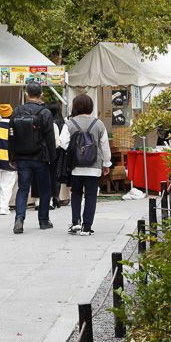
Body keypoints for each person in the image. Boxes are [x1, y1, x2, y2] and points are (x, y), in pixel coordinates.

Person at [58, 93, 111, 236]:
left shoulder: (70, 123)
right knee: (91, 195)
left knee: (76, 193)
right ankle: (87, 227)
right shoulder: (99, 123)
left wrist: (74, 149)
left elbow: (62, 142)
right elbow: (104, 145)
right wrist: (106, 163)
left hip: (75, 166)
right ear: (91, 106)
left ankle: (76, 223)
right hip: (94, 166)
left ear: (75, 107)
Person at [8, 81, 57, 234]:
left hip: (22, 157)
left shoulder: (16, 111)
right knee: (44, 189)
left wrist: (12, 156)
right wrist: (52, 157)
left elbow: (11, 136)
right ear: (41, 95)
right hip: (41, 157)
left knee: (23, 189)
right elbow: (50, 138)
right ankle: (43, 220)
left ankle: (19, 218)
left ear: (26, 94)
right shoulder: (45, 113)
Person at [45, 101, 66, 209]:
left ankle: (51, 199)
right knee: (57, 174)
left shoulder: (51, 122)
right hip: (61, 151)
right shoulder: (62, 122)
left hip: (52, 151)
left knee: (49, 175)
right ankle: (57, 197)